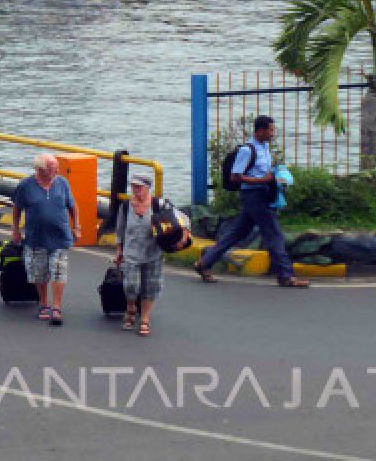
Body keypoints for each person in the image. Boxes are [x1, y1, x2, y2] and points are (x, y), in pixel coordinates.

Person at [195, 116, 310, 288]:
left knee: (237, 233)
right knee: (274, 234)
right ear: (260, 130)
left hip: (262, 195)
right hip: (253, 196)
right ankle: (286, 276)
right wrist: (263, 181)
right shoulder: (247, 151)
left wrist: (276, 177)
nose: (273, 134)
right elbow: (235, 177)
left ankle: (204, 263)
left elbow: (262, 171)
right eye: (270, 130)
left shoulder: (264, 147)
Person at [10, 154, 81, 326]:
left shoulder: (62, 183)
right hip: (36, 237)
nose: (56, 171)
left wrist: (77, 226)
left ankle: (56, 307)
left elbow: (72, 205)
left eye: (56, 167)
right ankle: (43, 303)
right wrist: (16, 229)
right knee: (39, 273)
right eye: (52, 168)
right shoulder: (25, 186)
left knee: (58, 269)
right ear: (40, 169)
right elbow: (17, 208)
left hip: (60, 236)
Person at [114, 175, 190, 336]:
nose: (136, 190)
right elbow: (120, 231)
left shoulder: (160, 204)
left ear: (148, 188)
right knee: (131, 286)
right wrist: (119, 250)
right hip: (131, 253)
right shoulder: (126, 206)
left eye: (139, 187)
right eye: (133, 186)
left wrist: (183, 238)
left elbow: (183, 219)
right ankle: (131, 307)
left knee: (151, 287)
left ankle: (145, 319)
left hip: (153, 253)